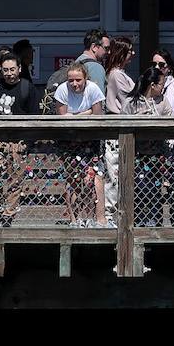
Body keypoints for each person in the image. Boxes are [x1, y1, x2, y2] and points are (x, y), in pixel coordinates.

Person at [0, 53, 36, 228]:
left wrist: (29, 141)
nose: (9, 73)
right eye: (5, 70)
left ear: (19, 69)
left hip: (18, 141)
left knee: (15, 180)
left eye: (12, 69)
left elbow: (34, 115)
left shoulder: (27, 87)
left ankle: (9, 213)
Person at [53, 63, 105, 227]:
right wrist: (85, 113)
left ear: (85, 78)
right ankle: (74, 219)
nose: (74, 84)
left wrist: (75, 115)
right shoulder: (62, 89)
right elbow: (62, 117)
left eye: (78, 80)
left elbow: (97, 116)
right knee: (72, 179)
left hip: (91, 137)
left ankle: (95, 218)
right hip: (69, 139)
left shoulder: (93, 89)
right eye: (71, 80)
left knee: (93, 177)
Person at [125, 65, 174, 227]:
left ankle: (155, 222)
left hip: (157, 153)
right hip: (136, 154)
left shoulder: (163, 101)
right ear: (152, 85)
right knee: (138, 189)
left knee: (155, 190)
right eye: (161, 84)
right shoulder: (131, 103)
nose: (163, 87)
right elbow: (123, 124)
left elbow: (170, 120)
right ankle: (136, 221)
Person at [101, 36, 136, 222]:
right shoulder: (116, 74)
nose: (133, 54)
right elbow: (129, 100)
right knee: (114, 173)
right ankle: (110, 215)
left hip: (122, 131)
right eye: (129, 51)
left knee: (119, 172)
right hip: (116, 130)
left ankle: (116, 213)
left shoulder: (119, 73)